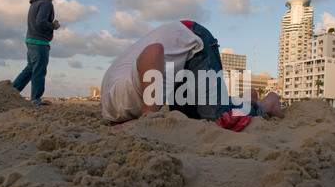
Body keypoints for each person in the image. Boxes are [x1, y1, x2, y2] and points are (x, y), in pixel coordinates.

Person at [101, 20, 284, 126]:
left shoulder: (122, 98)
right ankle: (241, 99)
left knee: (217, 121)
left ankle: (268, 103)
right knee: (187, 121)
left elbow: (154, 51)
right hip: (175, 52)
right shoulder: (114, 106)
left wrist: (146, 119)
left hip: (193, 42)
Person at [13, 0, 62, 105]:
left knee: (30, 69)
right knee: (39, 71)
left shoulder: (36, 2)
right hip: (39, 41)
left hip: (31, 39)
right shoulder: (46, 3)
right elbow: (40, 22)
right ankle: (36, 99)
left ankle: (11, 91)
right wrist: (54, 26)